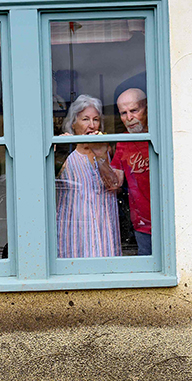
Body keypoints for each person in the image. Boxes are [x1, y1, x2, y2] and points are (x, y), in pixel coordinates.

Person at [56, 95, 124, 258]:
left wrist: (101, 156)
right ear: (73, 123)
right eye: (85, 119)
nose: (92, 125)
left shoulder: (108, 151)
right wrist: (60, 151)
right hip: (74, 230)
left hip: (104, 227)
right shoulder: (64, 152)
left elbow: (115, 185)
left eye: (96, 119)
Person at [111, 88, 153, 256]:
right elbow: (115, 183)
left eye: (134, 110)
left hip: (171, 217)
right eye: (123, 113)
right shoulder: (123, 141)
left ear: (147, 109)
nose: (129, 118)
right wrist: (97, 153)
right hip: (141, 222)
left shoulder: (161, 134)